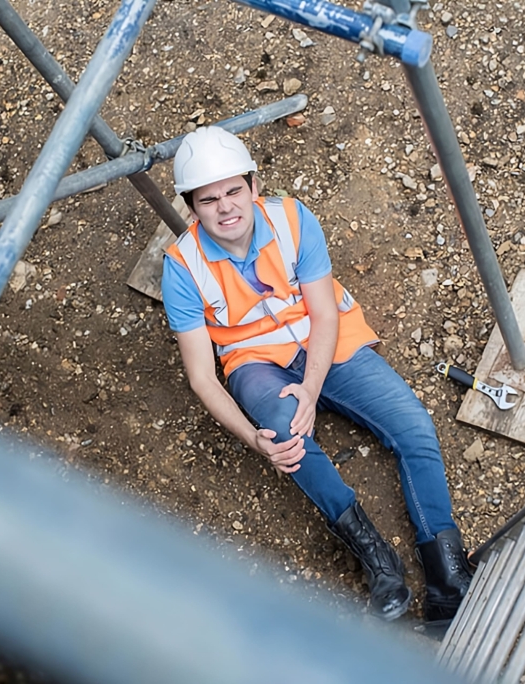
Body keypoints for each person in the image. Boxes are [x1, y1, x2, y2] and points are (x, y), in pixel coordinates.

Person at [161, 126, 473, 631]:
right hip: (256, 361)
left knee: (414, 428)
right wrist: (254, 440)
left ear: (254, 186)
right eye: (208, 199)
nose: (225, 208)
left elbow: (325, 315)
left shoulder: (291, 219)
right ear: (192, 208)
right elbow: (201, 376)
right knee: (287, 440)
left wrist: (311, 387)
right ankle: (378, 562)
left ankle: (447, 579)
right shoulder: (181, 267)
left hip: (328, 342)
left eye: (234, 191)